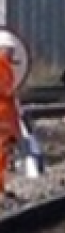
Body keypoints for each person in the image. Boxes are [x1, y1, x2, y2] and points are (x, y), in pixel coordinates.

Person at [0, 32, 19, 200]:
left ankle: (1, 187)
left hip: (5, 119)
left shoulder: (6, 67)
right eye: (9, 50)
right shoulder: (2, 67)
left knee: (3, 154)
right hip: (2, 117)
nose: (12, 54)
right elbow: (5, 91)